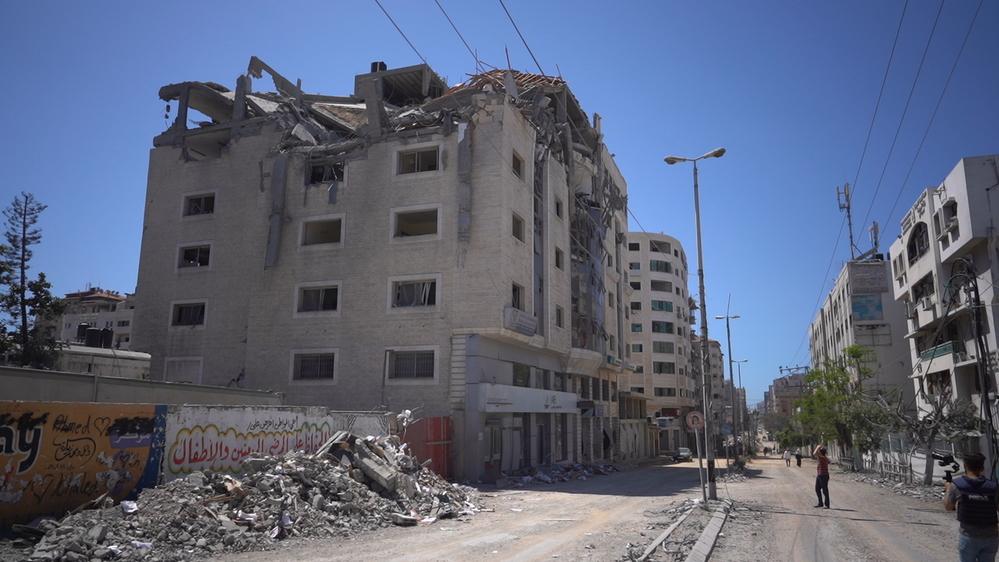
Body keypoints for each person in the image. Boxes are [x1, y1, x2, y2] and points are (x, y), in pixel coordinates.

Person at [945, 453, 998, 561]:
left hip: (969, 537)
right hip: (991, 536)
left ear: (965, 466)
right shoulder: (993, 487)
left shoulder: (957, 485)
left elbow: (948, 507)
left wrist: (947, 489)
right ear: (982, 467)